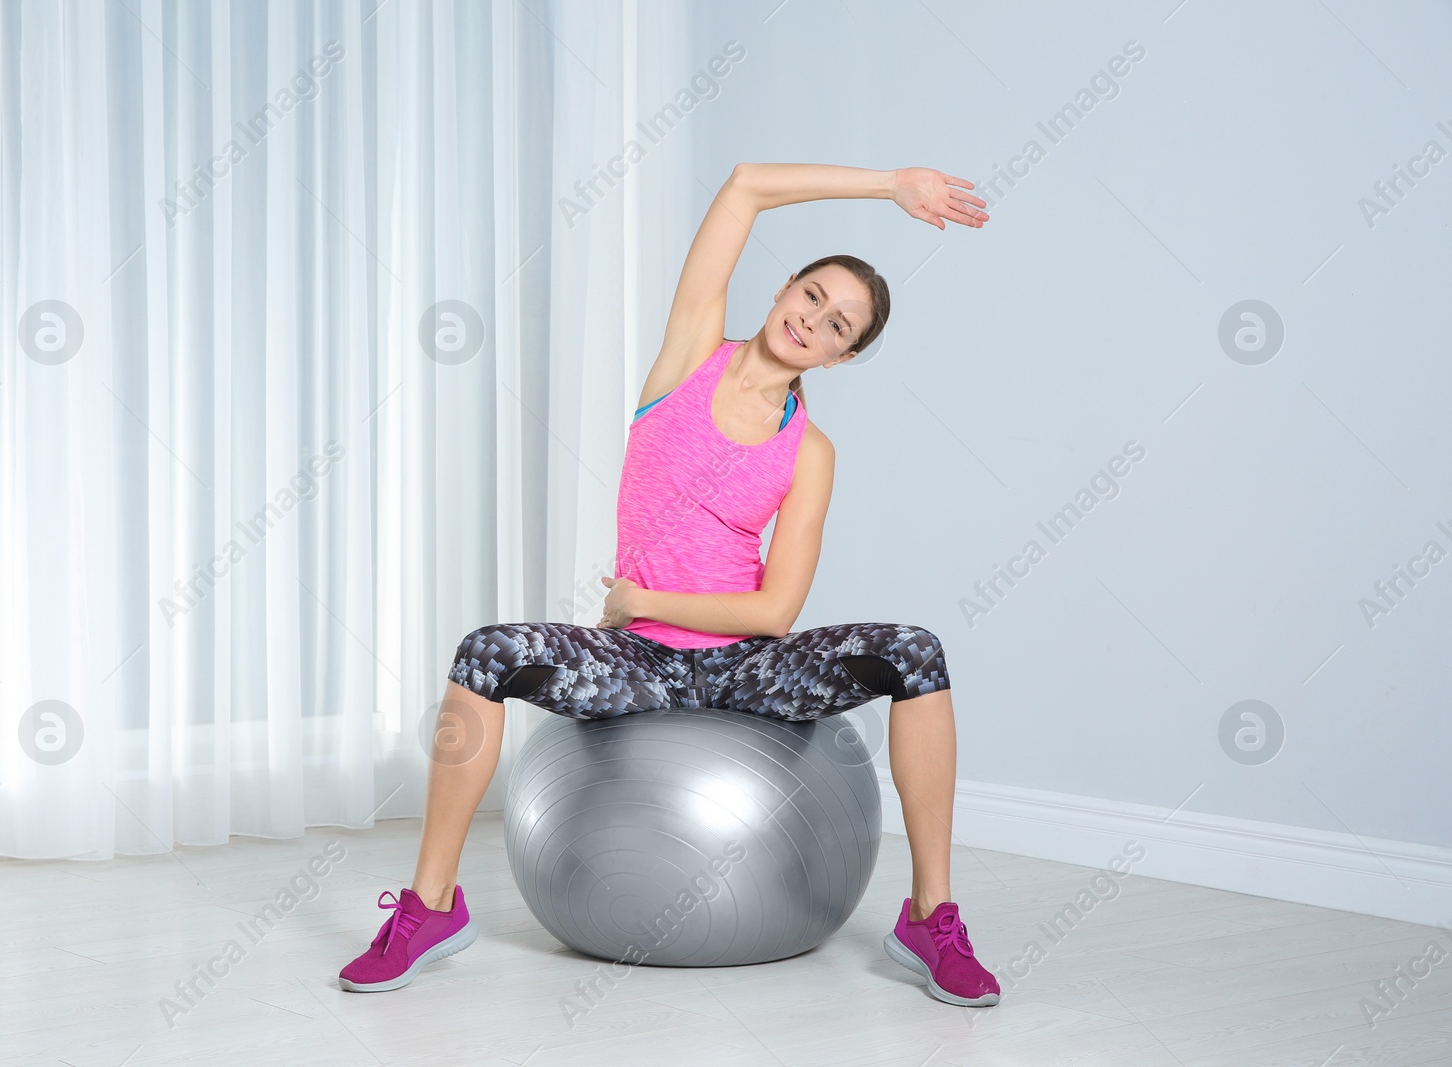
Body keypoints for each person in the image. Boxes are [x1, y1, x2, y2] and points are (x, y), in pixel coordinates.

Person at [340, 162, 1001, 1008]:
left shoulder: (812, 452)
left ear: (845, 355)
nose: (814, 321)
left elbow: (776, 609)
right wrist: (888, 186)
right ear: (781, 290)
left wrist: (647, 600)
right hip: (637, 661)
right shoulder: (690, 355)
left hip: (745, 668)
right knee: (486, 652)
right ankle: (431, 906)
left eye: (838, 325)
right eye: (812, 296)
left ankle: (931, 915)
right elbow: (744, 186)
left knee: (916, 652)